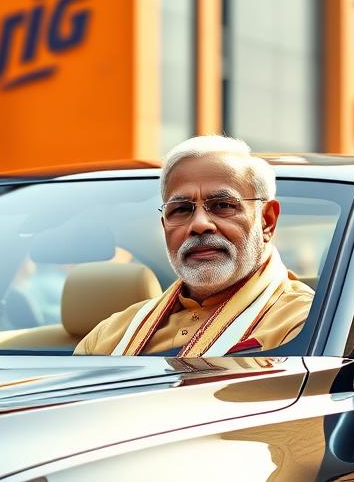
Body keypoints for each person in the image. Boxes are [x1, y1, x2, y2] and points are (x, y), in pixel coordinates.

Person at [75, 135, 313, 356]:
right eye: (181, 210)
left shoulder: (306, 325)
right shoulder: (108, 337)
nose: (199, 225)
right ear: (165, 226)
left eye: (223, 205)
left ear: (267, 221)